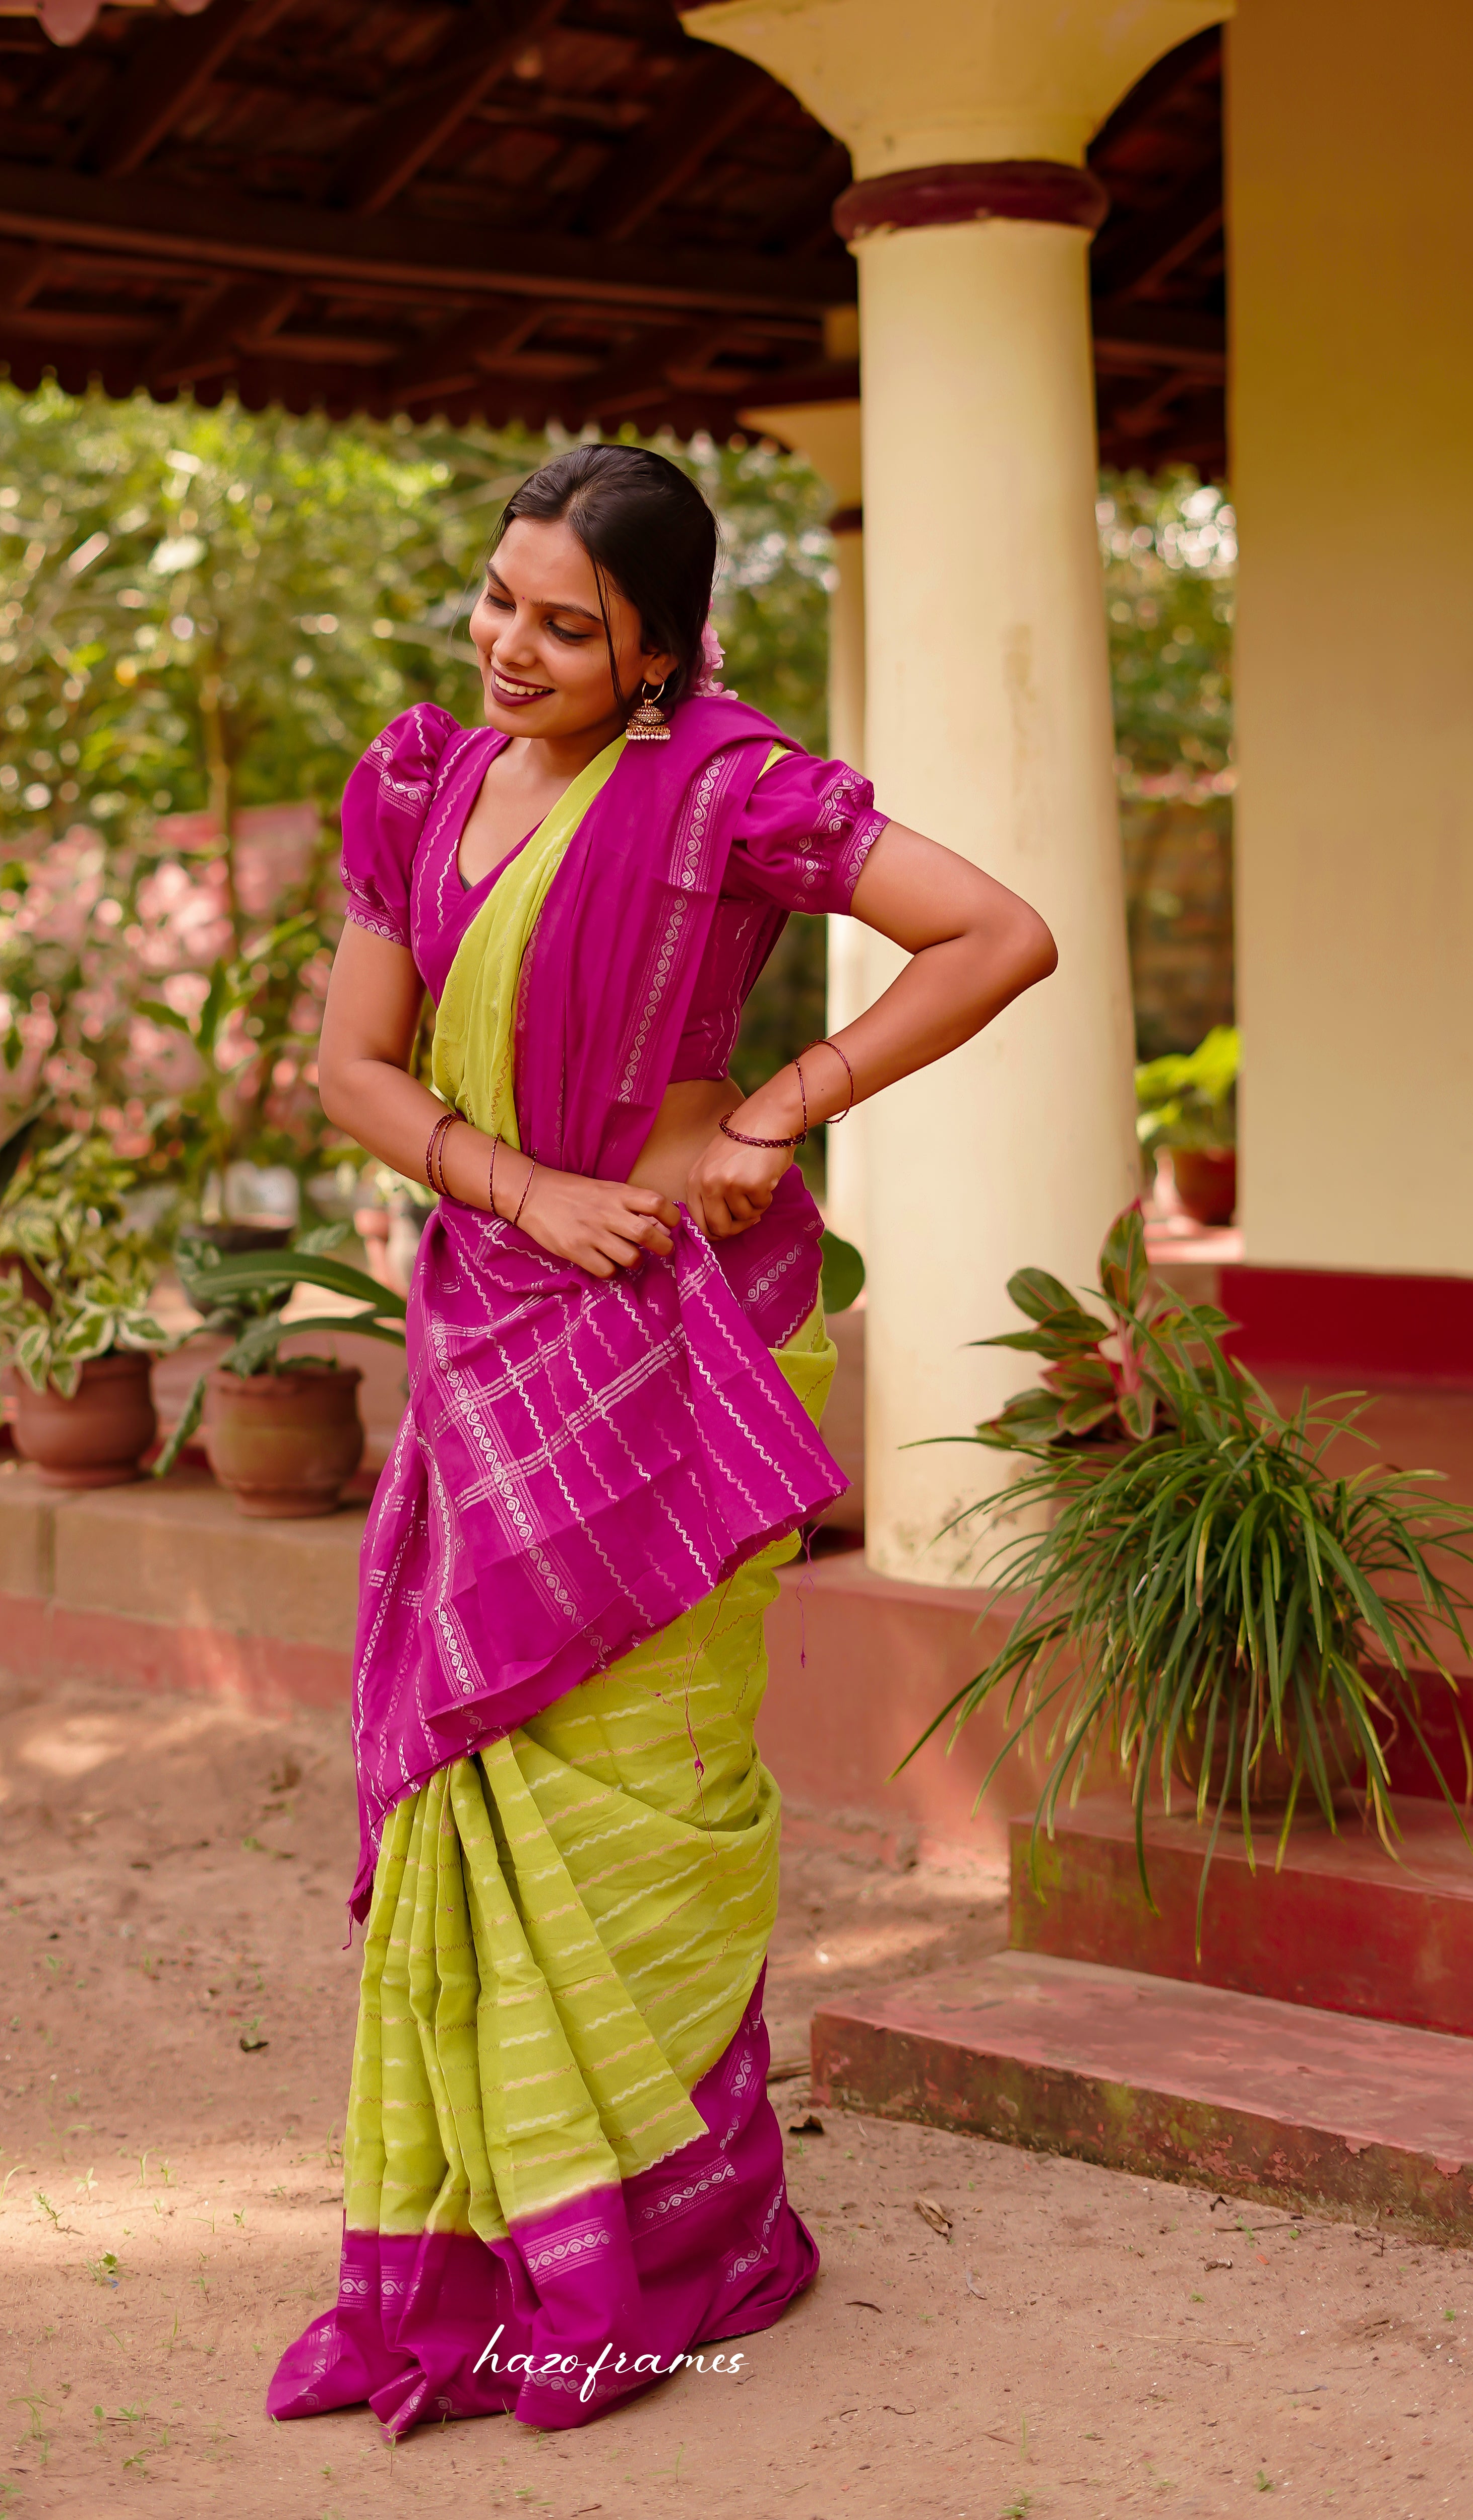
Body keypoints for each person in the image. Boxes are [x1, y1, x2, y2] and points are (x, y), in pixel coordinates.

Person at [267, 444, 1056, 2437]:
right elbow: (351, 1066)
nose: (511, 646)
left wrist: (780, 1106)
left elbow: (992, 931)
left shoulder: (720, 794)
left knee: (638, 1815)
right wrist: (519, 1188)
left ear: (654, 654)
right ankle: (501, 2238)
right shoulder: (419, 787)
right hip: (489, 1348)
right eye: (499, 600)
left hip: (662, 1380)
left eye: (567, 624)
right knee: (480, 1795)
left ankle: (672, 2243)